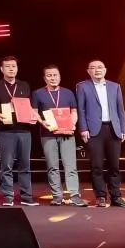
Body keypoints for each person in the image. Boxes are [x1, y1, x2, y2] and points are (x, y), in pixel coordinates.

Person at [75, 60, 125, 208]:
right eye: (93, 68)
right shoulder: (82, 86)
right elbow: (81, 109)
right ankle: (100, 196)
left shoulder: (115, 86)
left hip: (113, 129)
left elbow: (120, 109)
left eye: (100, 67)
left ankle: (116, 196)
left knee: (114, 165)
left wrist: (123, 129)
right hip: (94, 130)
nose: (97, 70)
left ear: (105, 70)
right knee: (97, 166)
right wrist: (83, 128)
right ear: (88, 71)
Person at [34, 65, 87, 207]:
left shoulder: (68, 93)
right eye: (49, 75)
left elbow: (74, 111)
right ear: (44, 78)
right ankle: (57, 196)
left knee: (71, 166)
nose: (53, 78)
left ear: (60, 77)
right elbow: (34, 112)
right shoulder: (38, 93)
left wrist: (72, 123)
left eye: (55, 75)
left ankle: (74, 195)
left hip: (67, 133)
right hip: (48, 134)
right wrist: (42, 122)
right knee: (52, 166)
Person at [0, 56, 36, 206]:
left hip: (24, 130)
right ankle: (8, 197)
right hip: (5, 131)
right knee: (6, 166)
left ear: (17, 68)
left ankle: (26, 197)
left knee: (25, 165)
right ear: (1, 69)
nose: (11, 69)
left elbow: (30, 106)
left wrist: (34, 117)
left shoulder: (24, 85)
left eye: (13, 66)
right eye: (8, 66)